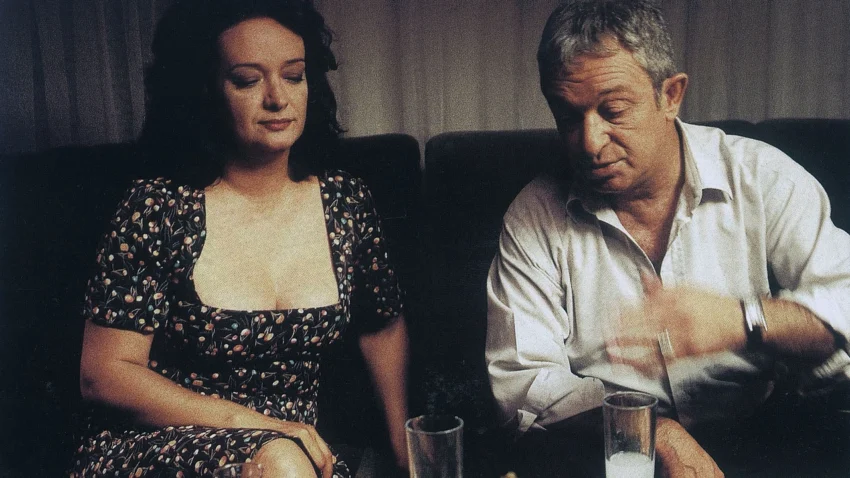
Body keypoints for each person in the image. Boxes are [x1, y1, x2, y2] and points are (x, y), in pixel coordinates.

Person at [485, 0, 850, 475]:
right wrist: (655, 431)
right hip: (612, 447)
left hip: (762, 434)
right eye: (568, 117)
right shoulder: (534, 215)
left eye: (613, 110)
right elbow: (522, 384)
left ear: (671, 95)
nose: (590, 142)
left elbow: (845, 302)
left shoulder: (763, 177)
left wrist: (741, 320)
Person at [71, 1, 409, 477]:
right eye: (247, 80)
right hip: (160, 444)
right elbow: (104, 375)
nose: (277, 98)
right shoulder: (159, 206)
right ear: (206, 90)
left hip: (294, 455)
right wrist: (259, 426)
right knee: (282, 462)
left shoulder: (345, 202)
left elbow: (382, 326)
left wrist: (404, 450)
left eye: (293, 75)